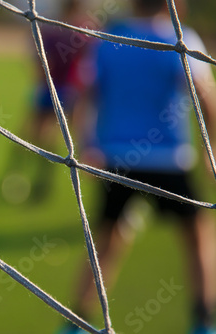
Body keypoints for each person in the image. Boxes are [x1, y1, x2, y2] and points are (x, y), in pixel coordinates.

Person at [59, 0, 216, 333]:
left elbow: (84, 94)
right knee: (198, 239)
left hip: (117, 160)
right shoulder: (182, 39)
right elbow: (207, 98)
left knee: (107, 242)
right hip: (171, 161)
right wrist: (210, 149)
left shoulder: (110, 39)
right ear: (175, 5)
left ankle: (76, 322)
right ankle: (204, 321)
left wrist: (86, 145)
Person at [1, 0, 87, 204]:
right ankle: (37, 181)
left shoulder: (52, 27)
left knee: (38, 134)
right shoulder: (82, 30)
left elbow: (36, 58)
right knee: (55, 137)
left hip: (52, 90)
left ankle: (24, 177)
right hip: (64, 91)